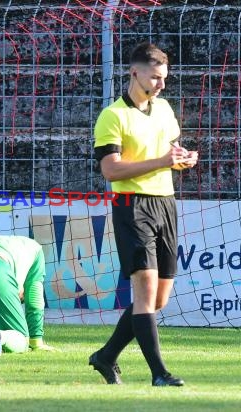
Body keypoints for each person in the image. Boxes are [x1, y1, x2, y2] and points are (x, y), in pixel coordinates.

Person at [90, 42, 198, 386]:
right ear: (134, 73)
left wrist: (182, 159)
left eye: (164, 78)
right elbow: (111, 170)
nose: (161, 84)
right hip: (132, 205)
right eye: (155, 77)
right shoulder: (113, 116)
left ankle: (105, 357)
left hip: (165, 203)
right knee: (146, 288)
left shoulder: (164, 108)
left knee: (157, 299)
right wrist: (163, 162)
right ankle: (159, 374)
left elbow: (170, 150)